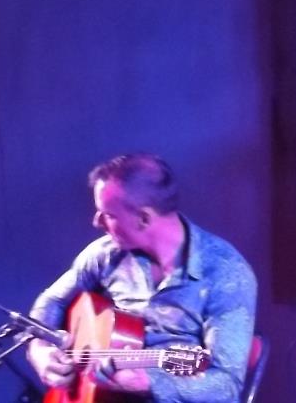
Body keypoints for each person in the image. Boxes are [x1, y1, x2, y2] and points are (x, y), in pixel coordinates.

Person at [26, 154, 257, 403]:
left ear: (144, 218)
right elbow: (52, 300)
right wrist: (40, 350)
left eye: (108, 215)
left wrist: (149, 384)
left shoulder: (226, 273)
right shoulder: (105, 254)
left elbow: (226, 386)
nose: (96, 222)